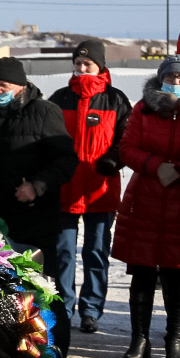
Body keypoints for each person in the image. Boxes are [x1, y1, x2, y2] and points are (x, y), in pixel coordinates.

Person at [0, 57, 78, 353]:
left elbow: (66, 160)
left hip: (35, 220)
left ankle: (54, 353)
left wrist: (37, 186)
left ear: (19, 86)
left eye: (2, 86)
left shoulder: (44, 112)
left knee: (40, 290)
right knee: (0, 293)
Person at [110, 56, 180, 358]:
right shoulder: (144, 108)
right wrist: (155, 166)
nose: (177, 83)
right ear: (161, 78)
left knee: (179, 275)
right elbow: (127, 148)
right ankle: (139, 339)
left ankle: (174, 341)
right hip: (145, 199)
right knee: (141, 273)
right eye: (172, 77)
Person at [47, 39, 132, 339]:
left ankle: (92, 310)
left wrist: (113, 160)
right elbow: (48, 138)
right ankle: (64, 308)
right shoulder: (59, 98)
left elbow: (128, 139)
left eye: (88, 64)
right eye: (78, 64)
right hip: (66, 187)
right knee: (63, 253)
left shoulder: (116, 99)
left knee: (96, 252)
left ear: (100, 66)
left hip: (100, 188)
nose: (82, 69)